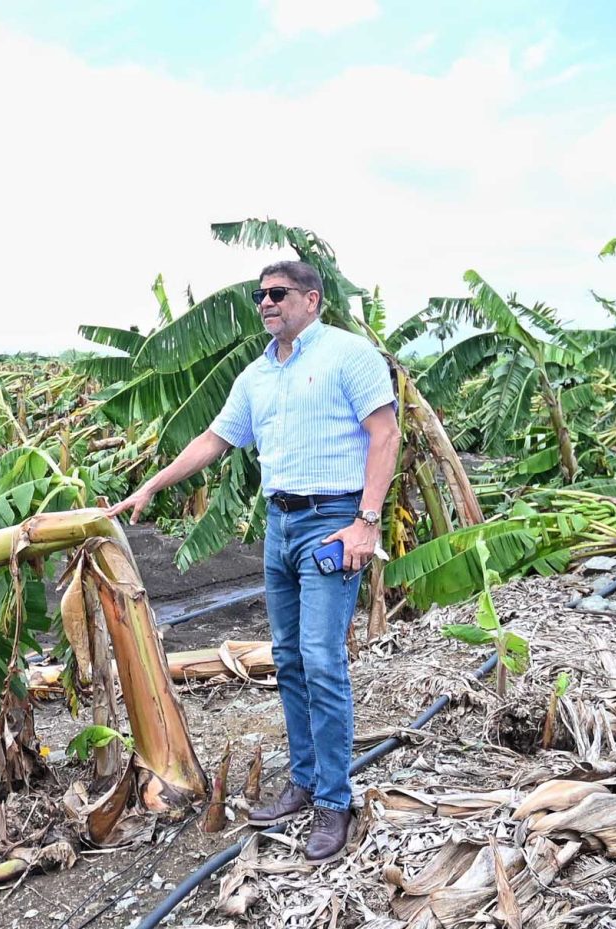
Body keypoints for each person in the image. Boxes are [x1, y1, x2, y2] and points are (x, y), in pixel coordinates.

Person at [107, 260, 398, 863]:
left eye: (278, 294)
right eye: (260, 296)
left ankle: (335, 803)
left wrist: (366, 521)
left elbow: (385, 433)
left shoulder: (348, 356)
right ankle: (303, 781)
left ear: (312, 300)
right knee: (289, 660)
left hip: (334, 521)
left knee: (321, 660)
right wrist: (152, 486)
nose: (266, 303)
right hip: (280, 523)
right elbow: (213, 440)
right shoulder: (257, 375)